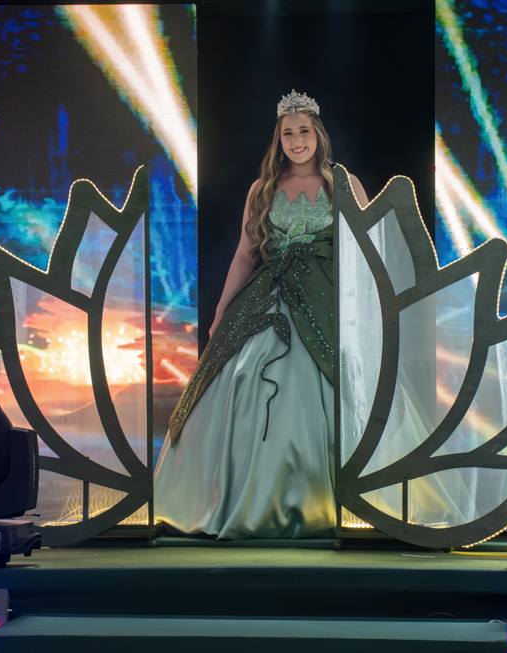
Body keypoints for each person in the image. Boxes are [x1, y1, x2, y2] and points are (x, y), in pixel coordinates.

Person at [153, 91, 369, 539]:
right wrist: (220, 311)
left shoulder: (344, 185)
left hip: (327, 297)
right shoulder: (263, 189)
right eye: (288, 134)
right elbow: (244, 255)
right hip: (269, 293)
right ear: (279, 140)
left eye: (303, 132)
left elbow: (368, 252)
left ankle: (323, 501)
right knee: (242, 374)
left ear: (318, 135)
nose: (297, 141)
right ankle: (240, 498)